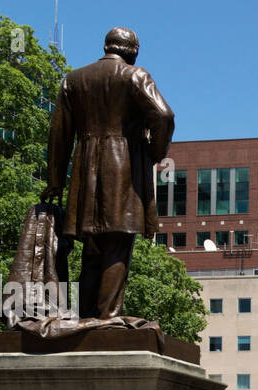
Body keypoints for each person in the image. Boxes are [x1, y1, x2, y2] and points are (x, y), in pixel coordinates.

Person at [41, 27, 174, 323]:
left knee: (92, 249)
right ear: (133, 51)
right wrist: (155, 153)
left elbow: (59, 134)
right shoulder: (134, 75)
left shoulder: (73, 81)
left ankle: (86, 316)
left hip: (84, 173)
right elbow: (164, 116)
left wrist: (54, 179)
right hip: (123, 169)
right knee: (117, 244)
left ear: (105, 47)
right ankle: (107, 317)